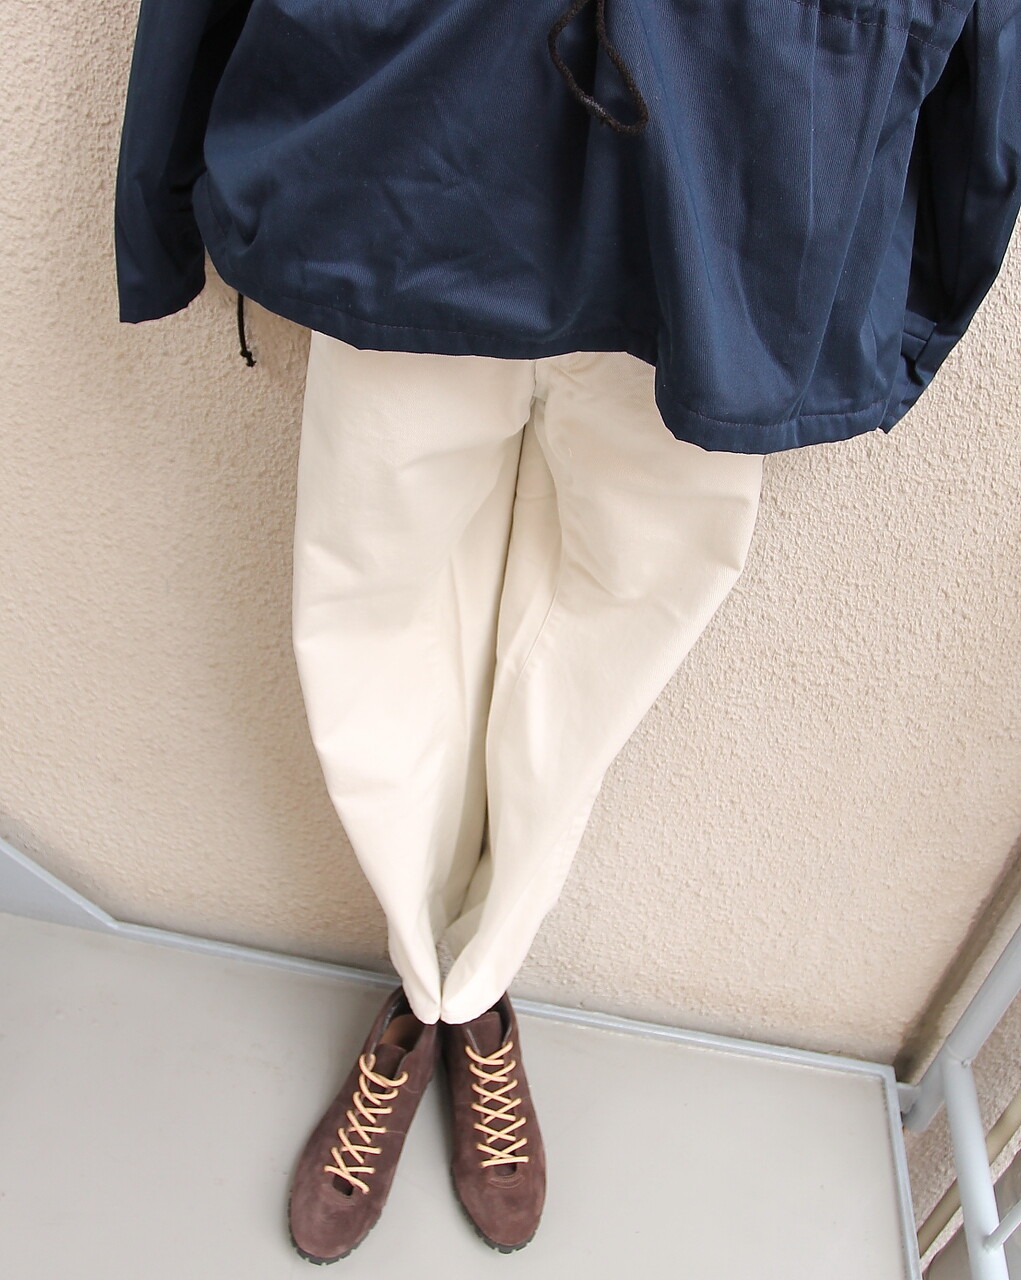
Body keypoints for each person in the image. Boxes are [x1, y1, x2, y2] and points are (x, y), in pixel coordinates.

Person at [112, 0, 1021, 1259]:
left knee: (588, 683)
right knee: (370, 632)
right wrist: (159, 204)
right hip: (414, 158)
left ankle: (469, 984)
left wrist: (891, 305)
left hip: (721, 217)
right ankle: (438, 983)